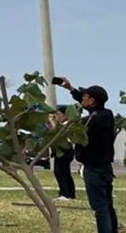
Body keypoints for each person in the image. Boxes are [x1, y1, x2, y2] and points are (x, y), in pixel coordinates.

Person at [58, 77, 117, 233]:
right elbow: (87, 107)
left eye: (85, 96)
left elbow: (76, 125)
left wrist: (64, 121)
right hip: (105, 168)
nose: (82, 99)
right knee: (107, 205)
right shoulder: (107, 114)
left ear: (92, 101)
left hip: (93, 169)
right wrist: (71, 89)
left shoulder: (91, 121)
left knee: (100, 208)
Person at [48, 105, 76, 201]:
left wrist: (52, 122)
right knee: (64, 172)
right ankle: (70, 193)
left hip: (65, 150)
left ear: (65, 115)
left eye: (58, 114)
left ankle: (65, 193)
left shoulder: (67, 124)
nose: (57, 117)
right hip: (60, 150)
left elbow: (58, 134)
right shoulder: (61, 124)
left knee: (61, 172)